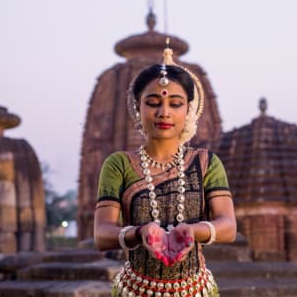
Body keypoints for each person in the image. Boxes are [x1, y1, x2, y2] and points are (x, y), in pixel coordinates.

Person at [94, 44, 237, 297]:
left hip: (196, 290)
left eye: (175, 103)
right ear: (138, 108)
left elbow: (228, 226)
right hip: (135, 290)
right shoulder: (118, 165)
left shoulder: (206, 163)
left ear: (189, 110)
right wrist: (141, 232)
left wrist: (192, 231)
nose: (164, 112)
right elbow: (102, 234)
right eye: (153, 102)